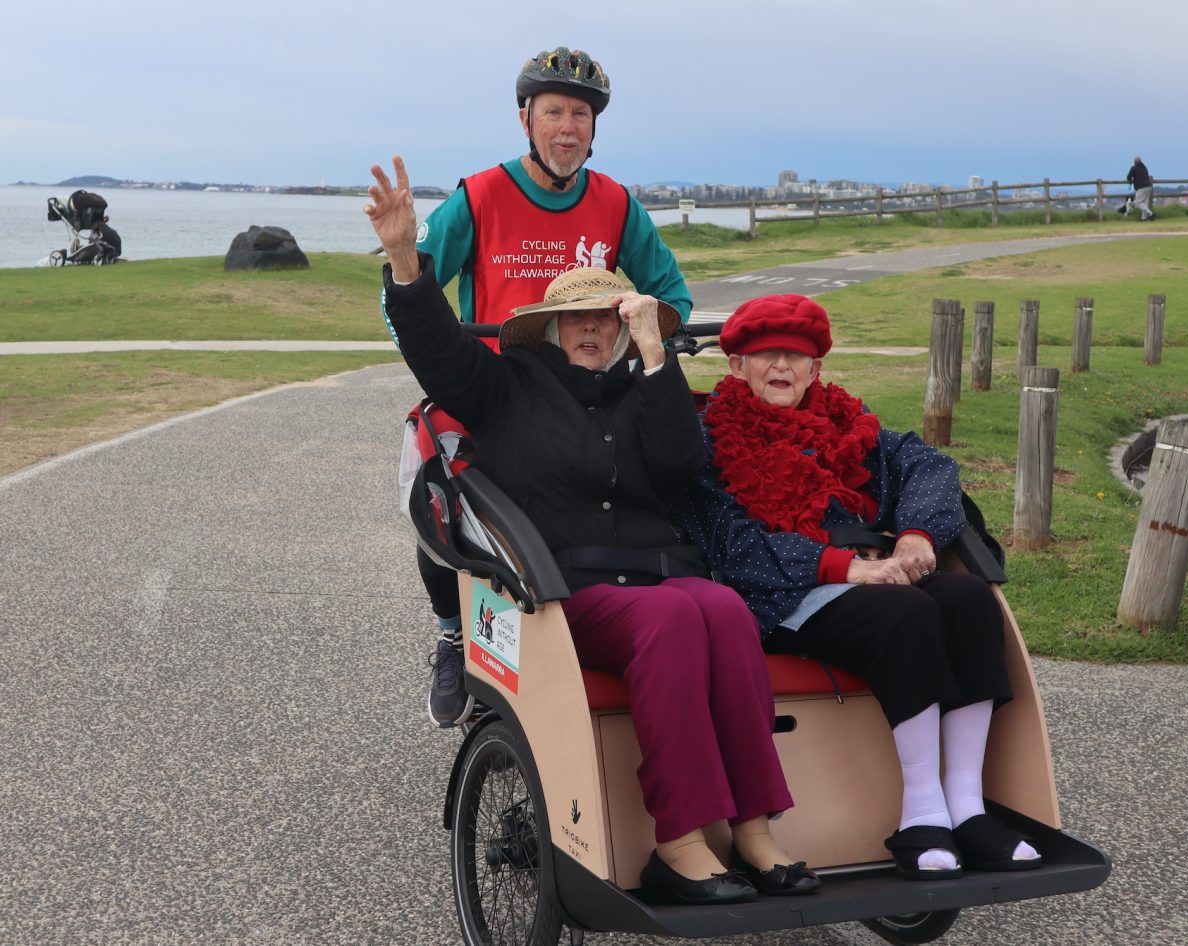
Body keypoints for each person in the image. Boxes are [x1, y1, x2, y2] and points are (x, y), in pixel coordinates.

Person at [364, 156, 819, 904]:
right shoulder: (507, 387)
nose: (589, 329)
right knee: (676, 615)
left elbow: (681, 460)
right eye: (575, 317)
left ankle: (753, 828)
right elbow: (436, 350)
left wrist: (653, 353)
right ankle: (677, 844)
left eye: (605, 317)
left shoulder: (638, 388)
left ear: (620, 325)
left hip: (659, 574)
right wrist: (407, 259)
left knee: (726, 611)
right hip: (564, 585)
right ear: (547, 327)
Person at [672, 294, 1044, 881]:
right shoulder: (706, 442)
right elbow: (731, 545)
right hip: (781, 595)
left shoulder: (851, 424)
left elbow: (931, 466)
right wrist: (844, 566)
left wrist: (918, 536)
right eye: (764, 354)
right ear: (735, 366)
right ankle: (924, 813)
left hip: (876, 575)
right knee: (904, 614)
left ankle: (967, 807)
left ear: (816, 369)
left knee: (970, 599)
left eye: (796, 357)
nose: (781, 368)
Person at [397, 46, 693, 727]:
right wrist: (429, 352)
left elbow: (670, 295)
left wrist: (650, 342)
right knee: (442, 499)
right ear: (526, 119)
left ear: (595, 128)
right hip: (492, 386)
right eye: (554, 111)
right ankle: (452, 629)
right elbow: (410, 289)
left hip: (582, 390)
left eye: (581, 115)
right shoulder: (480, 196)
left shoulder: (617, 204)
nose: (568, 127)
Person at [1126, 156, 1155, 221]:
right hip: (1149, 187)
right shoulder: (1144, 168)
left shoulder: (1133, 168)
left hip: (1141, 188)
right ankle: (1143, 218)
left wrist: (1131, 180)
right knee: (1145, 203)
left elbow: (1128, 177)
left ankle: (1151, 213)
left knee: (1138, 203)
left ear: (1134, 162)